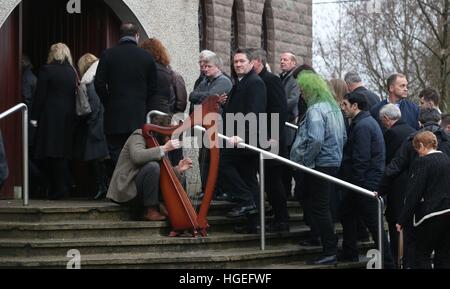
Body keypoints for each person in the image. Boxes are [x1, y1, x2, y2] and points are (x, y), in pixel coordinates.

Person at [290, 71, 347, 265]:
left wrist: (306, 163)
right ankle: (323, 241)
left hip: (319, 165)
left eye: (303, 90)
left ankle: (330, 249)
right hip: (332, 163)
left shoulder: (316, 110)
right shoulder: (334, 108)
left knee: (320, 207)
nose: (302, 94)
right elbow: (343, 137)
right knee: (318, 204)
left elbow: (315, 139)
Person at [339, 92, 394, 268]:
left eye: (346, 105)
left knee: (374, 225)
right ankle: (350, 252)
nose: (343, 108)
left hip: (365, 184)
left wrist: (356, 184)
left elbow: (361, 158)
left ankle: (387, 262)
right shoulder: (365, 122)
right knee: (348, 214)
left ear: (355, 106)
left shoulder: (362, 125)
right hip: (365, 181)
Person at [95, 23, 158, 174]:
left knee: (116, 151)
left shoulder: (108, 54)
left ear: (120, 36)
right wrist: (142, 102)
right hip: (137, 113)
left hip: (114, 113)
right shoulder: (147, 57)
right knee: (135, 151)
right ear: (136, 36)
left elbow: (99, 83)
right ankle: (133, 185)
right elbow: (153, 87)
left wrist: (108, 101)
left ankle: (122, 186)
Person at [220, 48, 266, 233]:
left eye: (242, 61)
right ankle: (253, 223)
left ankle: (246, 201)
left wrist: (244, 136)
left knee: (223, 164)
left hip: (245, 139)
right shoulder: (241, 82)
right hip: (238, 138)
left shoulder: (254, 82)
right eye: (236, 61)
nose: (238, 64)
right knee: (249, 179)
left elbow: (255, 112)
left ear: (251, 63)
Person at [106, 129, 193, 221]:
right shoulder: (139, 134)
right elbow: (137, 157)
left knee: (155, 168)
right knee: (152, 167)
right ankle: (150, 211)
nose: (171, 138)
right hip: (127, 188)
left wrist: (178, 169)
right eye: (168, 135)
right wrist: (164, 148)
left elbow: (164, 173)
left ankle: (158, 206)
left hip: (144, 191)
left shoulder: (161, 142)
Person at [250, 48, 290, 232]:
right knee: (267, 180)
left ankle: (282, 220)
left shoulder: (271, 80)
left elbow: (280, 110)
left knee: (273, 180)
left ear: (258, 61)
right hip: (258, 138)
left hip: (270, 139)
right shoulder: (254, 81)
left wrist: (272, 136)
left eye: (249, 61)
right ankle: (275, 214)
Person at [397, 131, 450, 269]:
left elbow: (414, 193)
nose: (417, 153)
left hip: (430, 214)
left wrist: (402, 219)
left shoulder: (422, 162)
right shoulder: (446, 159)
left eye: (417, 149)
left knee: (422, 254)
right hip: (448, 210)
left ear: (421, 145)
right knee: (444, 255)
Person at [31, 43, 77, 200]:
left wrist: (33, 118)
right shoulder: (72, 72)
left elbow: (40, 96)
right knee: (62, 153)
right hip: (68, 117)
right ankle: (64, 186)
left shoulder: (47, 70)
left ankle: (59, 188)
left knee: (51, 153)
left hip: (50, 117)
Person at [188, 53, 232, 199]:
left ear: (218, 67)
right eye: (204, 66)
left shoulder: (224, 81)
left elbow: (209, 98)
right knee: (203, 157)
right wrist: (210, 98)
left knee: (215, 158)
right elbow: (192, 96)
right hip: (203, 124)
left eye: (209, 66)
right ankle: (206, 189)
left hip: (216, 125)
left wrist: (209, 98)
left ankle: (218, 190)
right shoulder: (205, 81)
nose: (205, 69)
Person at [378, 103, 416, 265]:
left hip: (397, 185)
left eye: (382, 120)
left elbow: (390, 162)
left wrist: (381, 187)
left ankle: (396, 258)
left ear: (386, 119)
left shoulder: (391, 134)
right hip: (411, 183)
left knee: (395, 222)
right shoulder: (412, 131)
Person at [74, 53, 109, 200]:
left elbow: (93, 106)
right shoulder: (102, 76)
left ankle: (102, 188)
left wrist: (90, 123)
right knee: (103, 158)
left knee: (98, 158)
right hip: (105, 122)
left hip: (97, 125)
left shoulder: (89, 81)